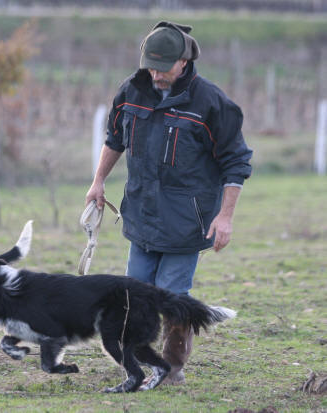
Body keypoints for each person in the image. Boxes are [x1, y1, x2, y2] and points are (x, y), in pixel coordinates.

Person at [85, 21, 252, 385]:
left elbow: (236, 162)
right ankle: (139, 363)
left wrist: (225, 217)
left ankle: (172, 367)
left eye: (163, 67)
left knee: (173, 296)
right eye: (151, 66)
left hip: (186, 223)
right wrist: (98, 182)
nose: (156, 74)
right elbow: (115, 139)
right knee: (135, 296)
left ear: (184, 61)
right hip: (141, 216)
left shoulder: (211, 103)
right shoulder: (131, 91)